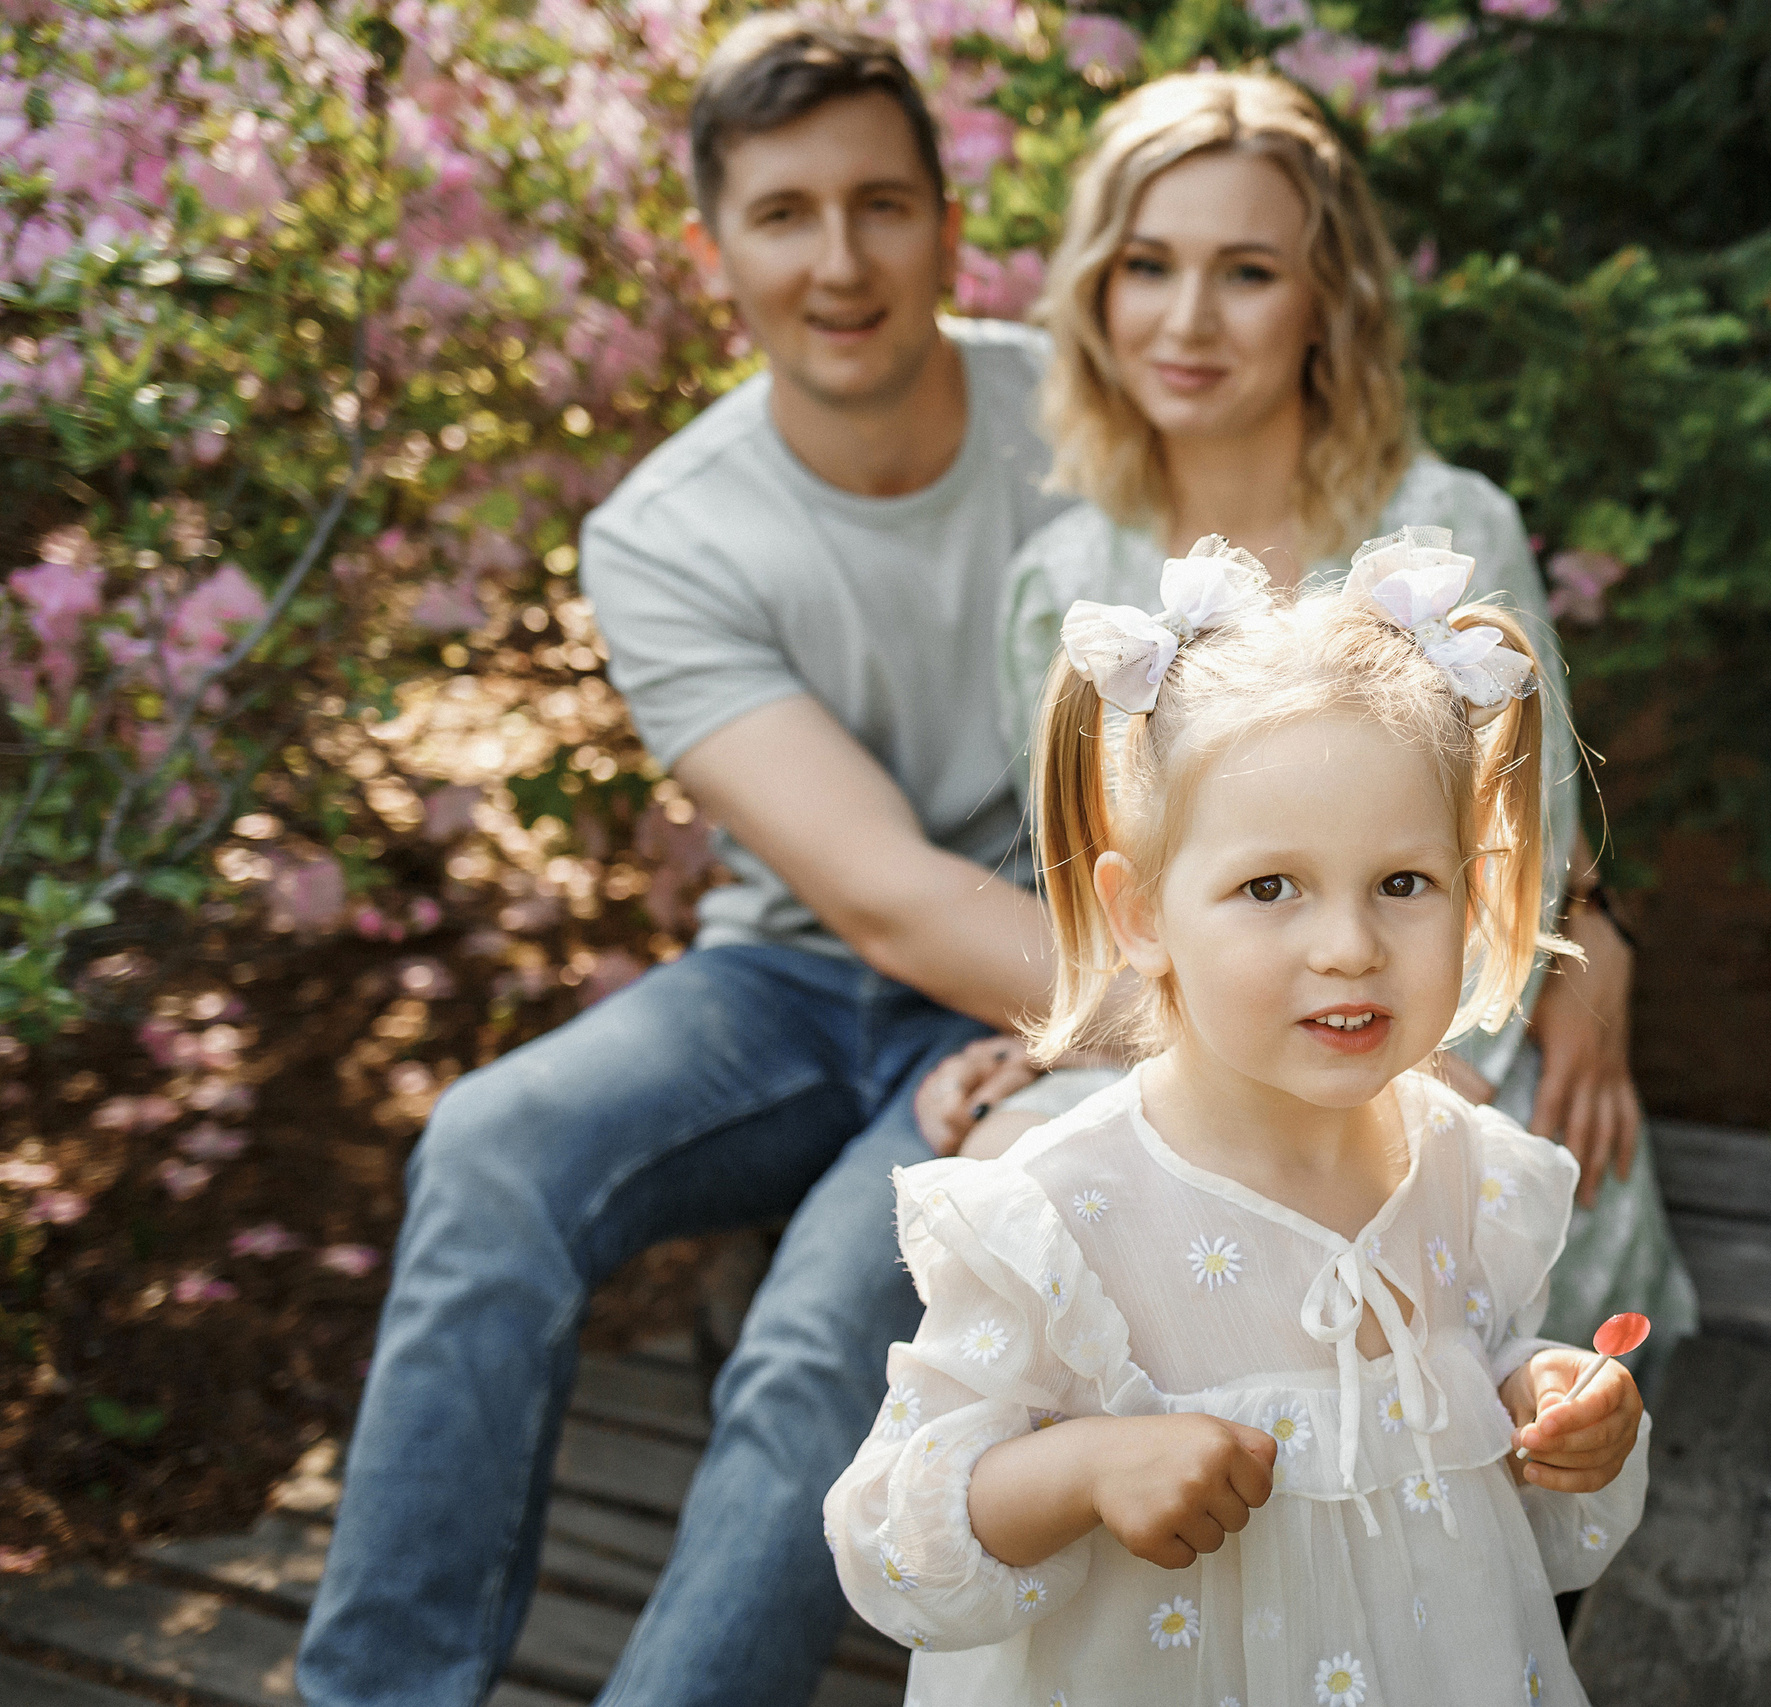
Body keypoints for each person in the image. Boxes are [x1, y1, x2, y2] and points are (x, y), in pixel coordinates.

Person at [296, 16, 1078, 1705]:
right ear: (714, 247)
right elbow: (870, 892)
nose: (843, 258)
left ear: (950, 219)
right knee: (494, 1142)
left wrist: (1151, 1021)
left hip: (1042, 997)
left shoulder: (1083, 419)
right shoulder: (668, 526)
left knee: (823, 1323)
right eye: (785, 212)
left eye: (882, 202)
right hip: (799, 978)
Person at [915, 70, 1696, 1366]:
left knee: (1417, 1217)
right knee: (1012, 1174)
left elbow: (1520, 859)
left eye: (1248, 273)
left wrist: (1483, 1032)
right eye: (1147, 265)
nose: (1187, 318)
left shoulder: (1448, 533)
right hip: (1191, 1055)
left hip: (1433, 1038)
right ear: (1096, 289)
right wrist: (1060, 1040)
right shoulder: (1061, 585)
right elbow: (1101, 908)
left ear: (1327, 300)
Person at [827, 535, 1647, 1705]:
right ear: (1144, 912)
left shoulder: (1468, 1171)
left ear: (1472, 889)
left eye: (1403, 883)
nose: (1348, 946)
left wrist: (1542, 1399)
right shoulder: (1059, 1218)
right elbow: (887, 1544)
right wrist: (1081, 1468)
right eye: (1271, 888)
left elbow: (1469, 1377)